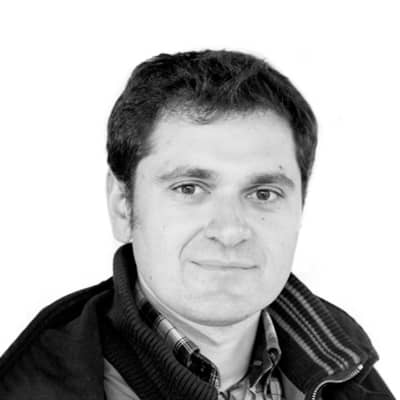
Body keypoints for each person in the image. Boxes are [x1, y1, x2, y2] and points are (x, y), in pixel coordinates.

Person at [0, 50, 394, 400]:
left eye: (263, 194)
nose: (230, 230)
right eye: (189, 188)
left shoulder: (349, 375)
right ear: (123, 206)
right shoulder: (30, 389)